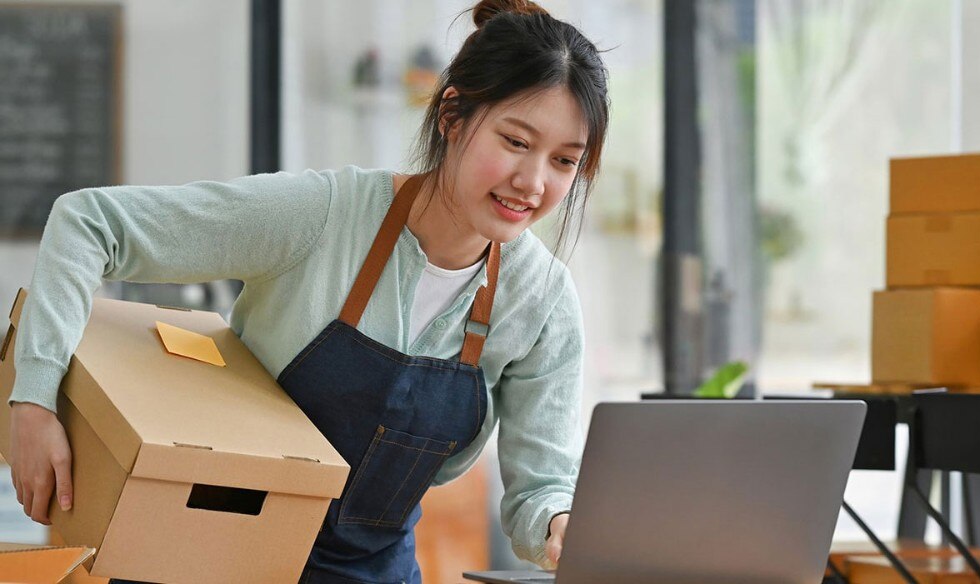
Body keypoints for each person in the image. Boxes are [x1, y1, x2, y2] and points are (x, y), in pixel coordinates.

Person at [6, 0, 608, 581]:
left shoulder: (543, 302)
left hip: (367, 573)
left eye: (564, 161)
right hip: (203, 557)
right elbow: (89, 223)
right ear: (451, 116)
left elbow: (539, 490)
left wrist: (560, 523)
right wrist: (33, 402)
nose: (533, 182)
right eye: (515, 142)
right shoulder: (323, 215)